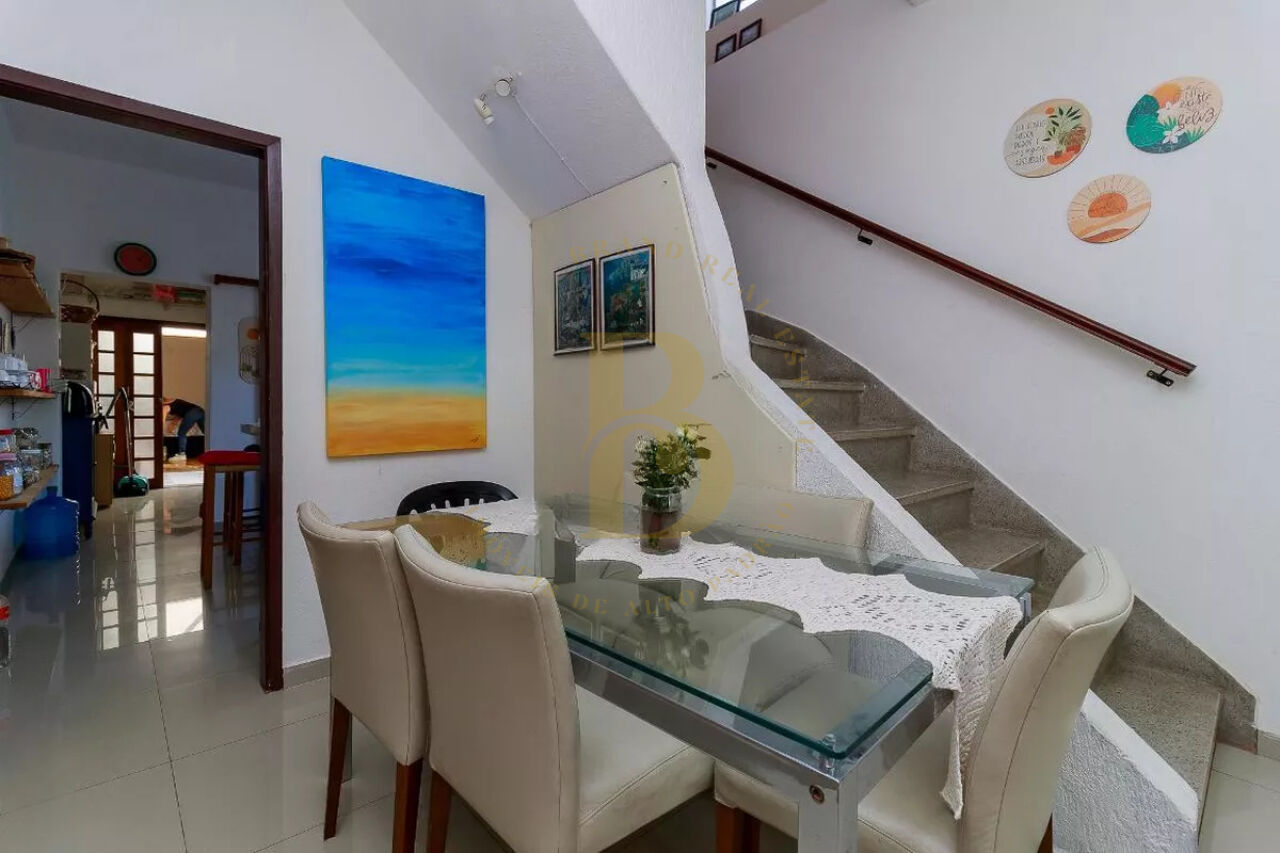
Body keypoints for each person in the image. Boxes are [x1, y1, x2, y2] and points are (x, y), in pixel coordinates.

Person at [164, 397, 205, 462]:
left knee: (182, 433)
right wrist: (172, 426)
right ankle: (213, 450)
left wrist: (158, 429)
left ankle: (182, 454)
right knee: (206, 433)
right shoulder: (176, 402)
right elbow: (178, 416)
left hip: (192, 412)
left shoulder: (166, 406)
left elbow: (162, 420)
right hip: (200, 411)